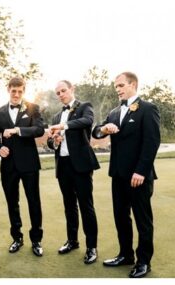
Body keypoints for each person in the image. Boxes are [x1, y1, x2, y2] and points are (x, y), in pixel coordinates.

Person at [92, 72, 159, 278]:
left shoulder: (147, 109)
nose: (118, 89)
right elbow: (95, 132)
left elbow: (152, 142)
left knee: (142, 220)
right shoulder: (114, 112)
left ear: (133, 85)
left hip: (138, 176)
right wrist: (104, 128)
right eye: (116, 87)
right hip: (118, 175)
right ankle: (125, 255)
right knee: (121, 217)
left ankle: (144, 262)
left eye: (121, 85)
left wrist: (141, 170)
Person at [46, 80, 101, 265]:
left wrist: (63, 126)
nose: (61, 94)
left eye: (63, 90)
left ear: (72, 89)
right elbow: (50, 143)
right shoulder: (55, 116)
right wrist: (54, 141)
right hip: (63, 166)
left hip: (81, 166)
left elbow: (87, 121)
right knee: (69, 206)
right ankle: (72, 241)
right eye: (58, 92)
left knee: (86, 206)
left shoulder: (84, 107)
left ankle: (91, 247)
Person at [0, 76, 46, 256]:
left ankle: (36, 240)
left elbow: (39, 129)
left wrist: (17, 130)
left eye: (20, 91)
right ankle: (17, 237)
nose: (16, 94)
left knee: (33, 201)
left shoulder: (33, 108)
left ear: (24, 91)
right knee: (12, 203)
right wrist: (0, 148)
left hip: (29, 164)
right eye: (13, 91)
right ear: (8, 89)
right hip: (8, 165)